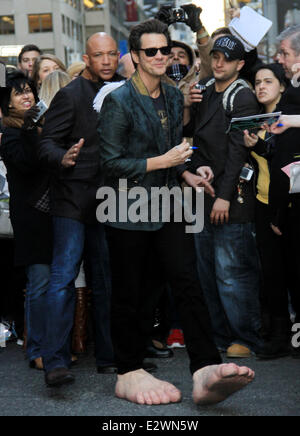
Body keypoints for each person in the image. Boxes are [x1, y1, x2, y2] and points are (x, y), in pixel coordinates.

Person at [97, 18, 255, 406]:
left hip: (168, 204)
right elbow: (111, 164)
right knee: (132, 292)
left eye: (164, 50)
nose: (159, 56)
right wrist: (161, 161)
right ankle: (128, 370)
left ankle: (204, 368)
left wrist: (186, 170)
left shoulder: (171, 95)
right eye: (150, 51)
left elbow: (172, 154)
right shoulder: (118, 100)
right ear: (134, 56)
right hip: (126, 208)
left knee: (187, 281)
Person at [38, 33, 124, 387]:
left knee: (106, 282)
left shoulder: (122, 90)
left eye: (110, 55)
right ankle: (55, 361)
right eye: (97, 56)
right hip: (71, 199)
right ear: (86, 59)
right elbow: (45, 143)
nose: (105, 61)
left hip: (108, 200)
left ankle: (109, 357)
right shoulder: (70, 95)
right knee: (62, 280)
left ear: (117, 57)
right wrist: (63, 156)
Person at [182, 35, 262, 358]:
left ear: (240, 64)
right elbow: (197, 142)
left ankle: (245, 337)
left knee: (233, 272)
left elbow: (238, 152)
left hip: (232, 197)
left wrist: (224, 197)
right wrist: (199, 168)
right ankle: (220, 334)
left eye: (226, 59)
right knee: (207, 272)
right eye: (215, 57)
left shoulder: (241, 96)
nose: (218, 63)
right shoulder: (207, 93)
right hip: (204, 192)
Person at [0, 70, 52, 370]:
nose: (26, 95)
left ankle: (53, 346)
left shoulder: (39, 125)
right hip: (32, 217)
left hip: (53, 212)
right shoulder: (10, 134)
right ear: (7, 102)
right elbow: (28, 165)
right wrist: (33, 129)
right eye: (18, 92)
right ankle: (36, 350)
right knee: (39, 284)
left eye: (29, 90)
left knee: (53, 283)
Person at [243, 63, 292, 359]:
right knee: (271, 275)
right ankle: (278, 337)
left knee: (293, 275)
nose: (261, 86)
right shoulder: (257, 122)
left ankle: (292, 338)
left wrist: (259, 148)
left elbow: (282, 163)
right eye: (257, 82)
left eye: (268, 81)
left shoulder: (289, 121)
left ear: (282, 86)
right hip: (262, 204)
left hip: (288, 207)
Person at [264, 25, 300, 354]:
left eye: (285, 54)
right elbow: (284, 158)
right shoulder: (289, 95)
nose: (280, 60)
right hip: (288, 203)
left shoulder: (293, 95)